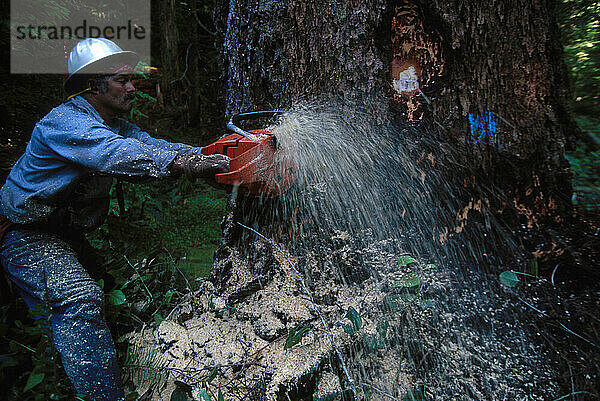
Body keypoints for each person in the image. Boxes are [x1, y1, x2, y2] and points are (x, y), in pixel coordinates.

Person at [0, 38, 229, 400]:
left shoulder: (115, 125)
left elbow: (154, 146)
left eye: (131, 80)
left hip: (64, 235)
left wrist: (217, 154)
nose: (132, 87)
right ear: (93, 84)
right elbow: (117, 154)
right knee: (79, 301)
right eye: (122, 81)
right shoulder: (64, 123)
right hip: (27, 236)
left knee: (114, 308)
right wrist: (185, 163)